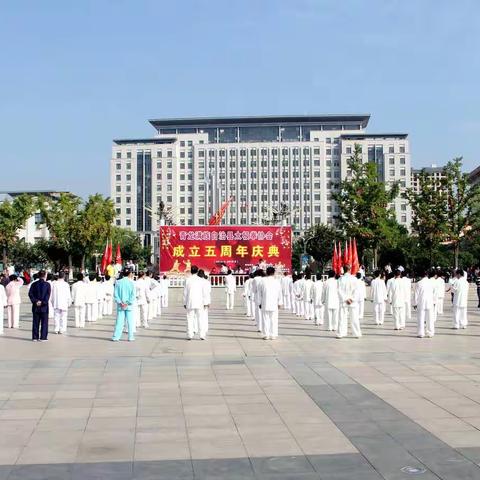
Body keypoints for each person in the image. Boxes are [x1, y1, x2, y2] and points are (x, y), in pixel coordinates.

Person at [183, 265, 209, 340]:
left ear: (191, 271)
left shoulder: (187, 280)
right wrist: (205, 302)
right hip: (200, 302)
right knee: (200, 318)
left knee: (189, 318)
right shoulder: (201, 280)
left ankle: (190, 334)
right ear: (197, 272)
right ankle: (202, 335)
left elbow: (185, 292)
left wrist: (184, 302)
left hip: (190, 302)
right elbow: (204, 293)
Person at [337, 264, 361, 339]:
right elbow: (357, 291)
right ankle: (357, 333)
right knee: (354, 318)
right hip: (352, 302)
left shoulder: (340, 279)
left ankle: (341, 333)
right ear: (350, 269)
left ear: (343, 269)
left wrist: (345, 299)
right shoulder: (354, 279)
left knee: (342, 318)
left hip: (344, 301)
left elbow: (339, 290)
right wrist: (352, 299)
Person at [112, 268, 136, 341]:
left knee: (119, 321)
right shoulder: (132, 282)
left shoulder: (118, 282)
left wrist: (120, 302)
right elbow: (133, 295)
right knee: (130, 322)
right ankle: (130, 337)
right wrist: (127, 302)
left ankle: (116, 337)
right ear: (129, 273)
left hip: (121, 305)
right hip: (128, 305)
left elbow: (115, 294)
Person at [258, 266, 282, 340]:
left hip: (265, 302)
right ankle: (273, 334)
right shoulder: (277, 281)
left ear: (266, 273)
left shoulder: (262, 281)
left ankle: (266, 335)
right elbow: (279, 293)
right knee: (274, 319)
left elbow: (259, 293)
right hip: (274, 303)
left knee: (265, 319)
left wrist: (259, 302)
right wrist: (280, 302)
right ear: (274, 273)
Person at [28, 270, 51, 341]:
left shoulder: (34, 284)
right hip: (44, 307)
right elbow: (48, 295)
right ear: (44, 276)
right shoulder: (47, 284)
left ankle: (35, 337)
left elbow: (30, 294)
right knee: (44, 323)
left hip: (36, 306)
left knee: (35, 322)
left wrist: (35, 301)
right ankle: (43, 337)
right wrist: (43, 302)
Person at [414, 270, 435, 338]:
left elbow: (416, 295)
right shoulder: (431, 282)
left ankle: (421, 333)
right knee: (430, 318)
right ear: (427, 275)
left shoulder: (419, 283)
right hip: (430, 302)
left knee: (421, 318)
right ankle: (430, 332)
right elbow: (434, 293)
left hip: (421, 302)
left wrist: (415, 303)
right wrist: (434, 301)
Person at [198, 269, 211, 339]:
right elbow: (208, 292)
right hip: (204, 301)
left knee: (197, 317)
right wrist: (208, 302)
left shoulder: (196, 282)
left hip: (197, 301)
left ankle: (196, 330)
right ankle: (204, 331)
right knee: (204, 316)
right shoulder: (206, 282)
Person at [251, 269, 266, 333]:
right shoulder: (264, 278)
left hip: (257, 296)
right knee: (264, 313)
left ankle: (259, 327)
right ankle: (263, 326)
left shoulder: (255, 279)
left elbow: (254, 290)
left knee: (258, 312)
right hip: (264, 296)